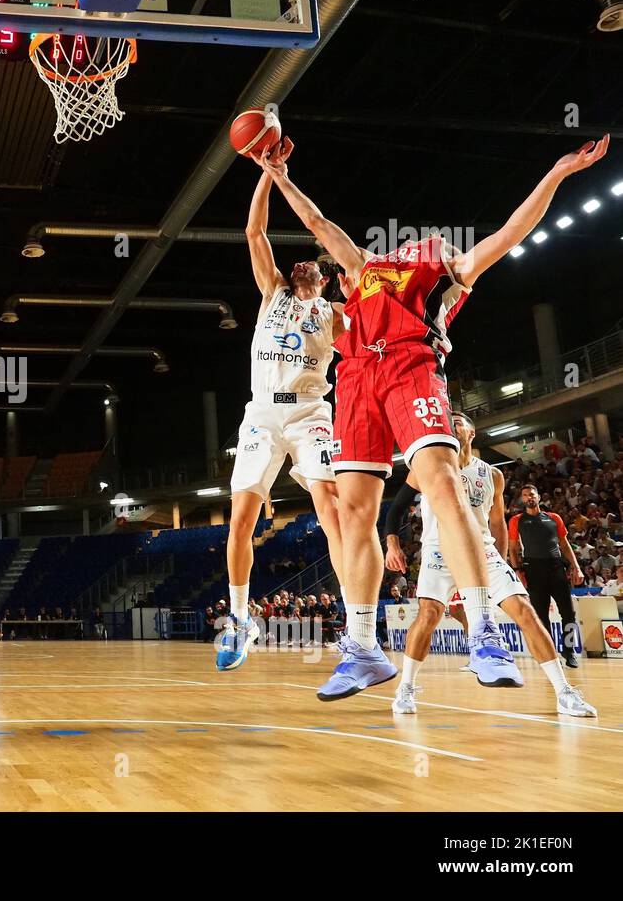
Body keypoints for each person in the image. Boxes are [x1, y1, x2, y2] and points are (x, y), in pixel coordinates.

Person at [258, 134, 610, 701]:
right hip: (355, 382)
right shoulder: (364, 269)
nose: (442, 242)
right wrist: (277, 174)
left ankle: (484, 634)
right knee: (353, 514)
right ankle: (365, 647)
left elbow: (509, 232)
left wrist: (558, 174)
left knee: (442, 478)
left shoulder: (444, 280)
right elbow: (318, 222)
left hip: (410, 369)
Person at [219, 143, 345, 672]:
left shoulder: (338, 316)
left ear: (325, 280)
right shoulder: (272, 293)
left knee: (330, 507)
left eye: (314, 268)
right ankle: (241, 619)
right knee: (240, 521)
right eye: (300, 266)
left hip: (312, 414)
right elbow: (255, 232)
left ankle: (356, 622)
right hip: (263, 414)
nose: (303, 269)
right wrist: (268, 174)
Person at [386, 414, 595, 716]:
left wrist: (500, 557)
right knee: (429, 615)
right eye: (448, 421)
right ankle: (405, 689)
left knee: (525, 611)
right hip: (438, 550)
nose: (451, 424)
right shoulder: (425, 466)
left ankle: (564, 692)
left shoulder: (492, 475)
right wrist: (393, 543)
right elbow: (395, 510)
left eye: (457, 421)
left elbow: (497, 522)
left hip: (483, 551)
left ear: (472, 432)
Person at [509, 484, 585, 668]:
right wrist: (517, 570)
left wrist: (576, 566)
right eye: (525, 495)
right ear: (522, 499)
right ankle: (550, 654)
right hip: (533, 570)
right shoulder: (516, 520)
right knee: (541, 616)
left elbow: (565, 545)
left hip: (556, 567)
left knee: (568, 612)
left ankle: (569, 651)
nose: (529, 497)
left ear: (539, 497)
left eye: (532, 494)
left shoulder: (554, 518)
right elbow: (512, 548)